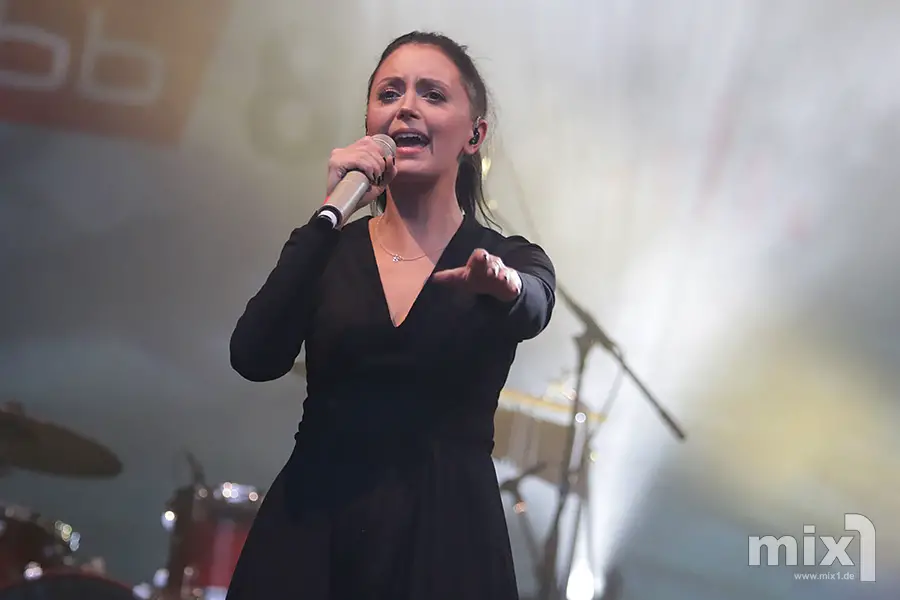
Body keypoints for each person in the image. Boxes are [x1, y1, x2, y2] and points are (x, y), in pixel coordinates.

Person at [226, 31, 556, 600]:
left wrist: (505, 285)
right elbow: (254, 357)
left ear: (474, 135)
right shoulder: (328, 249)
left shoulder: (508, 257)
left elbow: (534, 303)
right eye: (389, 93)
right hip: (314, 528)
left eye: (432, 94)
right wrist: (329, 212)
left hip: (445, 536)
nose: (406, 106)